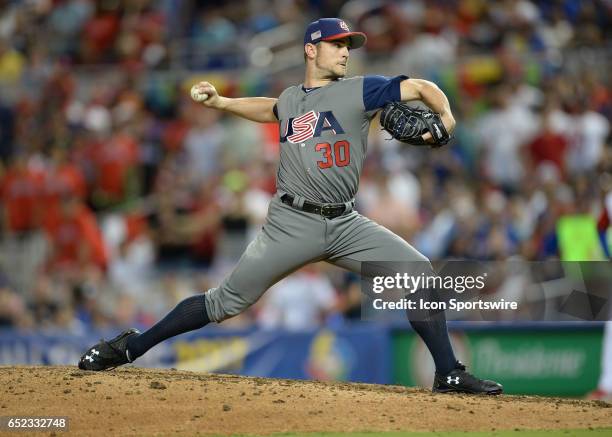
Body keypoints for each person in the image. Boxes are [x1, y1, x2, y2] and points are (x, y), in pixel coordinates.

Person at [79, 18, 502, 395]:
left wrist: (445, 118)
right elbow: (271, 109)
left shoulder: (362, 89)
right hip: (290, 223)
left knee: (421, 274)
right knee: (224, 303)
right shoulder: (292, 99)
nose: (344, 52)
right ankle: (130, 345)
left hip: (346, 222)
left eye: (347, 46)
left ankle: (447, 372)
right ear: (310, 50)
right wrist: (223, 103)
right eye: (337, 44)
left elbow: (422, 88)